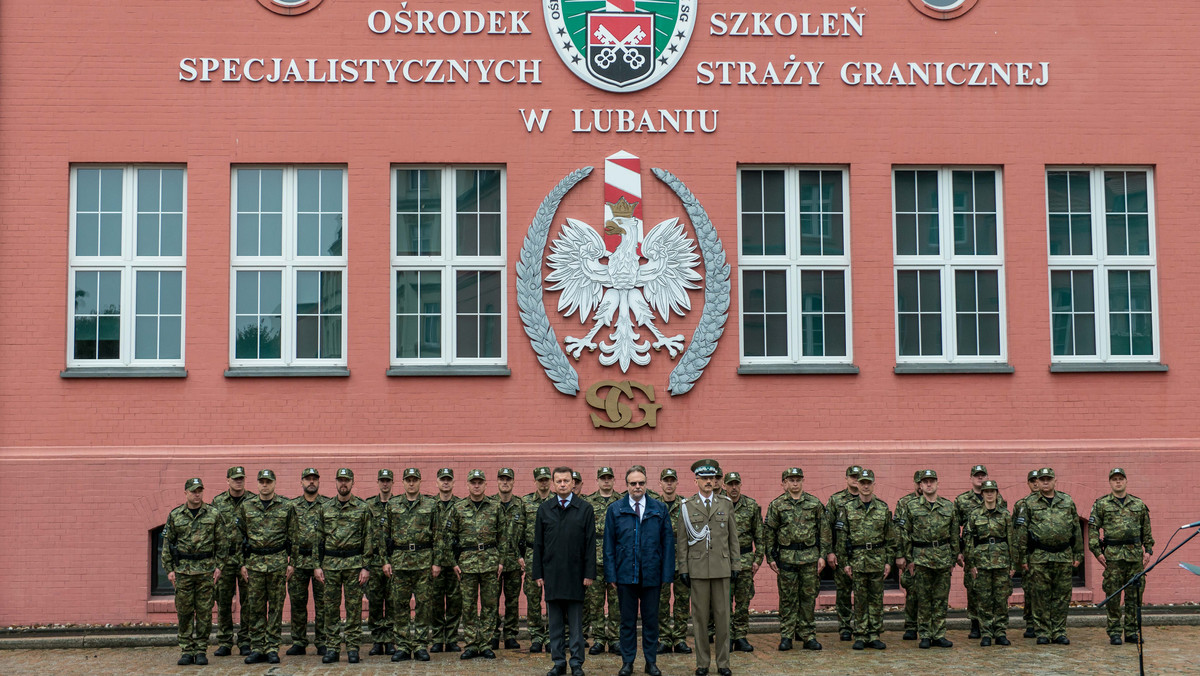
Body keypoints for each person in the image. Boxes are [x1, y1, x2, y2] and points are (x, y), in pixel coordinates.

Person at [604, 466, 674, 676]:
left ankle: (651, 662)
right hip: (626, 574)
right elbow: (609, 545)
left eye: (641, 483)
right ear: (626, 485)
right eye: (633, 483)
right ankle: (627, 662)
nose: (637, 487)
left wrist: (667, 575)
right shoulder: (615, 509)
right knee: (627, 622)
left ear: (646, 484)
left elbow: (668, 544)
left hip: (652, 575)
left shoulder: (659, 509)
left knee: (651, 621)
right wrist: (611, 574)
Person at [437, 469, 509, 660]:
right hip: (467, 564)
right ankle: (471, 643)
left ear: (485, 485)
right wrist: (453, 563)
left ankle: (485, 643)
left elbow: (503, 537)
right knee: (468, 606)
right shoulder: (458, 508)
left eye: (480, 482)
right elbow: (448, 537)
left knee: (489, 605)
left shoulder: (495, 507)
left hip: (490, 563)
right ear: (468, 485)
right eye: (473, 482)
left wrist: (501, 561)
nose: (476, 486)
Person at [677, 459, 740, 676]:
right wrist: (683, 568)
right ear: (696, 481)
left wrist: (736, 564)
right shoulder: (686, 507)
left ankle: (723, 663)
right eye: (704, 479)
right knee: (700, 618)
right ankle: (702, 662)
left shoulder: (725, 504)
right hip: (698, 569)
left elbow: (733, 538)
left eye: (712, 478)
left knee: (723, 618)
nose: (708, 482)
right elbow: (682, 541)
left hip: (722, 567)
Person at [533, 467, 597, 676]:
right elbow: (539, 545)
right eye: (558, 481)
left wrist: (589, 573)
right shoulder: (544, 509)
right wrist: (538, 573)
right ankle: (559, 662)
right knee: (555, 624)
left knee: (576, 625)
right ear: (553, 484)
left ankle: (577, 662)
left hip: (576, 576)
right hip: (552, 575)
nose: (562, 484)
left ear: (573, 483)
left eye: (566, 481)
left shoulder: (585, 509)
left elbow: (589, 544)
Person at [161, 478, 231, 666]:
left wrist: (219, 567)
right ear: (186, 493)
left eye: (199, 490)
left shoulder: (213, 514)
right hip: (183, 571)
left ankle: (201, 649)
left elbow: (223, 543)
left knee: (204, 612)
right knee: (184, 612)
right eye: (193, 491)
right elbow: (168, 544)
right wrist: (169, 570)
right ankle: (186, 649)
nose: (197, 494)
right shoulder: (176, 515)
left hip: (206, 571)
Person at [1014, 467, 1083, 645]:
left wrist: (1079, 552)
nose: (1045, 482)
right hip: (1039, 556)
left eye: (1048, 479)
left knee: (1062, 596)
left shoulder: (1067, 501)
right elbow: (1021, 532)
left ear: (1054, 481)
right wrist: (1022, 558)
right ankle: (1043, 631)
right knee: (1040, 596)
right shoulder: (1029, 503)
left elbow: (1076, 528)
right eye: (1042, 479)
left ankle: (1059, 631)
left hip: (1063, 555)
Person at [763, 467, 828, 652]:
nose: (795, 483)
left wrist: (822, 555)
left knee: (808, 598)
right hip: (787, 558)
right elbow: (769, 533)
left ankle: (808, 635)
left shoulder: (814, 503)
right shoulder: (777, 505)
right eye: (791, 480)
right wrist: (770, 557)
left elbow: (824, 532)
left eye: (798, 479)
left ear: (803, 481)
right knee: (787, 599)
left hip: (809, 557)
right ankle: (786, 635)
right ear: (784, 483)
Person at [315, 468, 375, 664]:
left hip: (354, 565)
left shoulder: (362, 508)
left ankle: (352, 647)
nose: (344, 484)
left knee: (353, 608)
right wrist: (317, 565)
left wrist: (366, 566)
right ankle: (332, 647)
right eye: (340, 480)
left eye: (347, 480)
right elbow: (318, 539)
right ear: (335, 482)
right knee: (330, 608)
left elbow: (368, 538)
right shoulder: (325, 508)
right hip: (331, 565)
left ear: (352, 482)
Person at [236, 469, 296, 665]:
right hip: (254, 564)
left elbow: (294, 536)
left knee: (276, 608)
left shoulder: (286, 506)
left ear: (274, 483)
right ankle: (257, 647)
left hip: (278, 562)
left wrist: (292, 563)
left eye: (268, 481)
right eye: (261, 481)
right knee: (256, 608)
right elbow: (239, 537)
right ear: (257, 483)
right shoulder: (247, 507)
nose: (265, 485)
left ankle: (272, 647)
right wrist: (242, 564)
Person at [1089, 467, 1154, 646]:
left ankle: (1132, 631)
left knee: (1134, 596)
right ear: (1110, 482)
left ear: (1126, 481)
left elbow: (1146, 530)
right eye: (1114, 479)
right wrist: (1097, 552)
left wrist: (1148, 550)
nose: (1118, 482)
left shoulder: (1138, 504)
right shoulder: (1102, 504)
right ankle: (1115, 632)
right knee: (1113, 596)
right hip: (1113, 557)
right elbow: (1093, 529)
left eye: (1121, 478)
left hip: (1134, 557)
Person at [897, 469, 959, 649]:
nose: (929, 484)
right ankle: (924, 634)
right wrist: (909, 559)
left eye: (932, 481)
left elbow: (954, 534)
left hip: (943, 558)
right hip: (921, 559)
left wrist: (953, 558)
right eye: (925, 482)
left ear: (938, 483)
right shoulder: (911, 506)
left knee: (940, 599)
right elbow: (905, 534)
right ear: (920, 485)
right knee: (923, 599)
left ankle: (939, 634)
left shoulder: (948, 506)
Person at [834, 468, 894, 651]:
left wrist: (888, 561)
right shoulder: (848, 508)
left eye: (869, 483)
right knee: (859, 599)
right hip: (857, 561)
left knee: (876, 599)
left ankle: (874, 634)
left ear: (874, 484)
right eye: (862, 483)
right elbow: (842, 539)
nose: (865, 486)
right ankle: (860, 634)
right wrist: (845, 563)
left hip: (877, 560)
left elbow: (890, 539)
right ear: (857, 485)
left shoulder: (883, 508)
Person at [384, 467, 439, 662]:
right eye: (408, 480)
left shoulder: (431, 505)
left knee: (423, 606)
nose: (411, 483)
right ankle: (404, 645)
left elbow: (438, 535)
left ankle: (421, 645)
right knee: (400, 606)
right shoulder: (393, 505)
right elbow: (384, 535)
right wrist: (385, 561)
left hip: (423, 561)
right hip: (400, 562)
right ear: (403, 482)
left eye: (415, 479)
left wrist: (437, 562)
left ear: (420, 481)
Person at [954, 464, 1007, 639]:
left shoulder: (1000, 501)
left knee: (995, 591)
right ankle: (975, 624)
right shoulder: (962, 500)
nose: (980, 478)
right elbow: (956, 528)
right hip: (973, 550)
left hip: (997, 554)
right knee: (973, 587)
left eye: (982, 475)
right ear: (971, 478)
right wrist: (959, 551)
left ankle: (993, 625)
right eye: (976, 476)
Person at [963, 479, 1015, 646]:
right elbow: (968, 540)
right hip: (982, 562)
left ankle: (1000, 631)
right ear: (983, 494)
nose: (990, 494)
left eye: (993, 491)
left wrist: (1013, 565)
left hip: (1002, 562)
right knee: (984, 599)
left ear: (997, 493)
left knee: (1001, 599)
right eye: (987, 491)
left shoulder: (1005, 515)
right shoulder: (975, 514)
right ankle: (986, 632)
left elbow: (1011, 540)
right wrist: (970, 564)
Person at [286, 468, 328, 657]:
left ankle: (322, 641)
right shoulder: (292, 506)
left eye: (314, 479)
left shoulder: (327, 505)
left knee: (323, 603)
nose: (311, 482)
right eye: (308, 479)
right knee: (297, 602)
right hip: (298, 560)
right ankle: (299, 641)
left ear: (318, 482)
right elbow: (285, 533)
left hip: (322, 561)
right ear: (301, 482)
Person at [211, 466, 250, 657]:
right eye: (235, 478)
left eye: (241, 478)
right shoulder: (217, 502)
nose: (238, 481)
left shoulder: (253, 500)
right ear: (227, 480)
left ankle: (245, 641)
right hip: (224, 559)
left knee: (249, 601)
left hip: (247, 559)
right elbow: (211, 532)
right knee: (223, 601)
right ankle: (225, 641)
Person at [724, 472, 764, 653]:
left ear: (740, 485)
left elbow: (760, 535)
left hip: (745, 560)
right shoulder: (718, 505)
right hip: (723, 561)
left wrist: (758, 559)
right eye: (730, 484)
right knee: (723, 601)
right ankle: (726, 637)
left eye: (736, 484)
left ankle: (740, 636)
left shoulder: (751, 506)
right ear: (724, 485)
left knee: (742, 601)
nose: (733, 488)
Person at [585, 466, 622, 654]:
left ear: (614, 480)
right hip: (595, 559)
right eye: (603, 478)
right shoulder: (588, 502)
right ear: (597, 480)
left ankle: (615, 638)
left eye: (609, 478)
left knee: (616, 603)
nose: (606, 481)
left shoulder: (623, 501)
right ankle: (599, 639)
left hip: (617, 559)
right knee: (595, 603)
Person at [656, 468, 692, 655]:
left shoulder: (686, 505)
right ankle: (663, 637)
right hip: (660, 562)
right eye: (666, 480)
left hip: (682, 561)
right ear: (660, 483)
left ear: (677, 483)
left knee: (682, 602)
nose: (669, 484)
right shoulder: (654, 505)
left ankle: (679, 638)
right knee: (661, 602)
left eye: (672, 480)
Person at [826, 465, 863, 641]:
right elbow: (827, 527)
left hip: (864, 556)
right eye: (852, 476)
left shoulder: (868, 498)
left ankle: (863, 626)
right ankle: (845, 626)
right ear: (846, 478)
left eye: (858, 476)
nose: (855, 479)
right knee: (843, 592)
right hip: (841, 555)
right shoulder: (836, 500)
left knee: (863, 593)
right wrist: (830, 552)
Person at [429, 467, 462, 652]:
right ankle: (436, 638)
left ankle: (451, 638)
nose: (446, 482)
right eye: (442, 479)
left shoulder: (460, 505)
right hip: (434, 563)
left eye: (449, 479)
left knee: (455, 602)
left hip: (454, 564)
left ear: (453, 482)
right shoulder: (429, 505)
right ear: (437, 482)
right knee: (435, 602)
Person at [493, 467, 526, 650]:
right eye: (502, 479)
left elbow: (525, 533)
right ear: (497, 482)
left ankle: (511, 635)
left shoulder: (520, 505)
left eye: (508, 479)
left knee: (512, 600)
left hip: (514, 561)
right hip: (493, 561)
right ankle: (493, 634)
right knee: (492, 600)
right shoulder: (490, 504)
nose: (505, 482)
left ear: (513, 482)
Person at [523, 466, 555, 653]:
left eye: (546, 479)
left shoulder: (557, 501)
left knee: (552, 597)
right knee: (533, 597)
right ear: (535, 481)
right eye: (540, 480)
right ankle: (536, 636)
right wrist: (520, 554)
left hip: (552, 555)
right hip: (532, 553)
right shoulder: (526, 502)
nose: (543, 483)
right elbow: (518, 530)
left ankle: (553, 636)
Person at [365, 468, 396, 655]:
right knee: (375, 602)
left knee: (392, 601)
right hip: (374, 559)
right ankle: (377, 640)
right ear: (378, 482)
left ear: (392, 483)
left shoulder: (399, 504)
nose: (385, 484)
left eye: (388, 481)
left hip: (393, 559)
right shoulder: (368, 506)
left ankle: (391, 640)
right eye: (382, 480)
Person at [895, 471, 922, 641]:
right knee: (912, 592)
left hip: (931, 555)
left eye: (926, 482)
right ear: (914, 483)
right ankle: (911, 626)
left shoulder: (939, 503)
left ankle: (931, 626)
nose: (922, 486)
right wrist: (901, 555)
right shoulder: (904, 503)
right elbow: (898, 531)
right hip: (911, 555)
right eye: (919, 482)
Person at [1017, 469, 1040, 638]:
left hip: (1045, 553)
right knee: (1030, 590)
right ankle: (1031, 622)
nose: (1036, 483)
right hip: (1030, 555)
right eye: (1032, 481)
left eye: (1038, 480)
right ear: (1028, 483)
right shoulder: (1022, 504)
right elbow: (1016, 531)